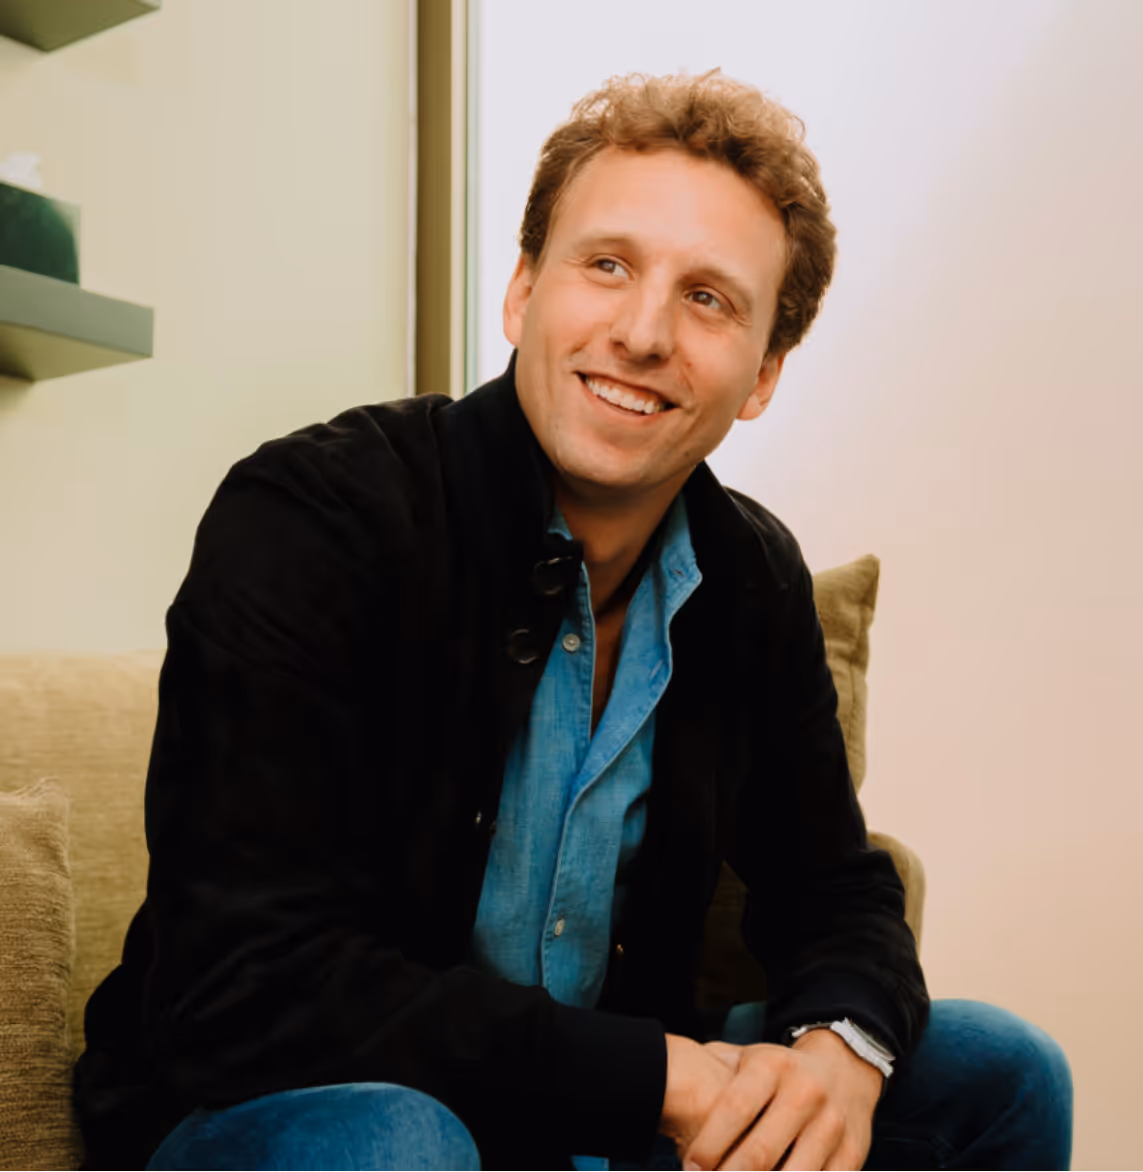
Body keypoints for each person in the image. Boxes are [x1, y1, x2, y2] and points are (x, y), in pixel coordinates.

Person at [74, 71, 1072, 1171]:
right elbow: (239, 980)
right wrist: (661, 1078)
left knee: (1000, 1070)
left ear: (762, 374)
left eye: (708, 298)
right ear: (521, 292)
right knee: (400, 1140)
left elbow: (833, 888)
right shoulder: (315, 514)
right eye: (607, 265)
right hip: (287, 1112)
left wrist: (843, 1045)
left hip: (599, 1113)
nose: (642, 332)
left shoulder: (751, 577)